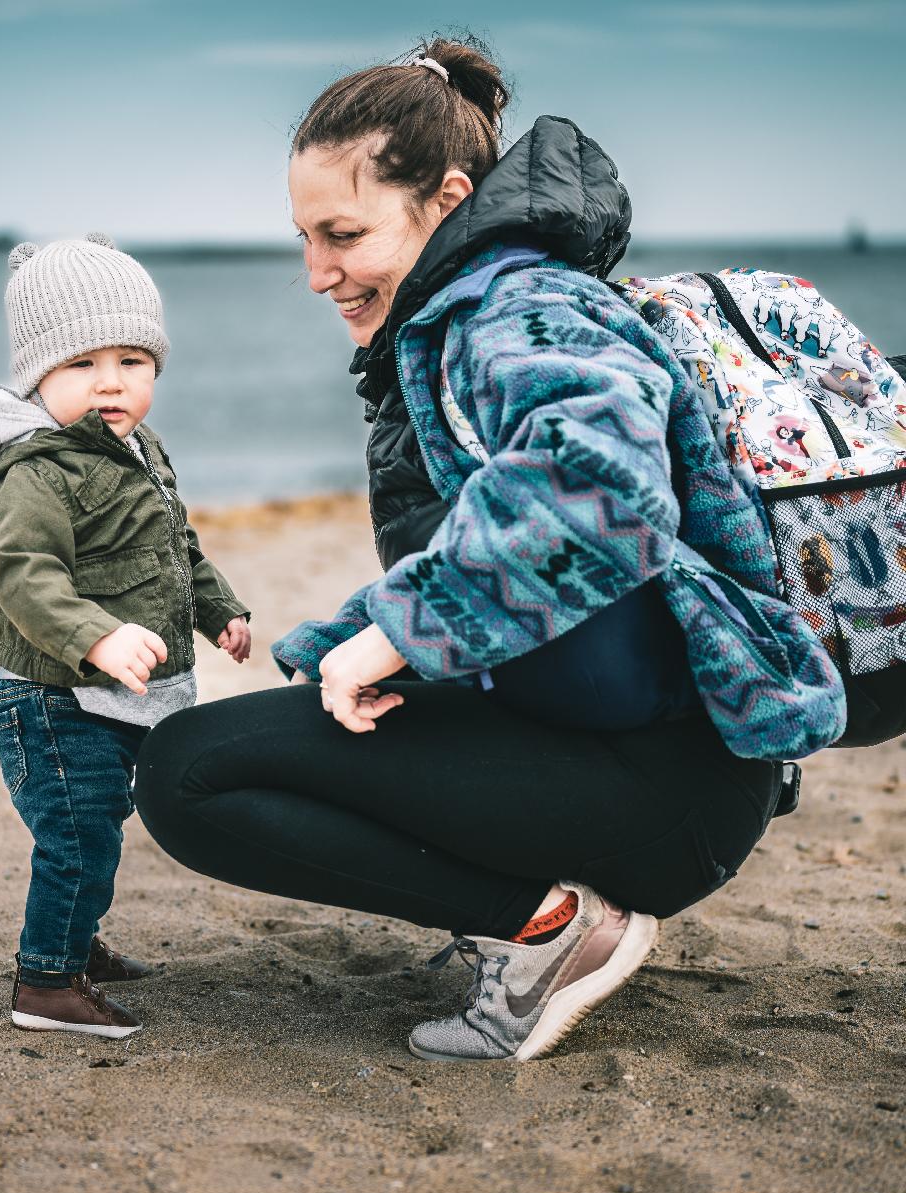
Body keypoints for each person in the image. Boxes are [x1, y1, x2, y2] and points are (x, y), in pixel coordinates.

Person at [133, 39, 844, 1063]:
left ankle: (553, 936)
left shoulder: (518, 308)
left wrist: (395, 633)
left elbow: (603, 491)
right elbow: (512, 541)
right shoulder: (476, 311)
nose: (316, 272)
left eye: (342, 234)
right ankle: (544, 919)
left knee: (189, 781)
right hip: (640, 755)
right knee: (205, 757)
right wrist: (350, 642)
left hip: (665, 785)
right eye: (304, 237)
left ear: (447, 199)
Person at [0, 235, 251, 1038]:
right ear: (39, 376)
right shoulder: (35, 471)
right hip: (54, 698)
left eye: (132, 360)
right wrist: (96, 638)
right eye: (82, 365)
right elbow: (26, 576)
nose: (111, 381)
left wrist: (219, 611)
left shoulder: (142, 450)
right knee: (78, 836)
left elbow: (177, 544)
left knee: (94, 830)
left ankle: (74, 945)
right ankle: (45, 986)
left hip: (115, 697)